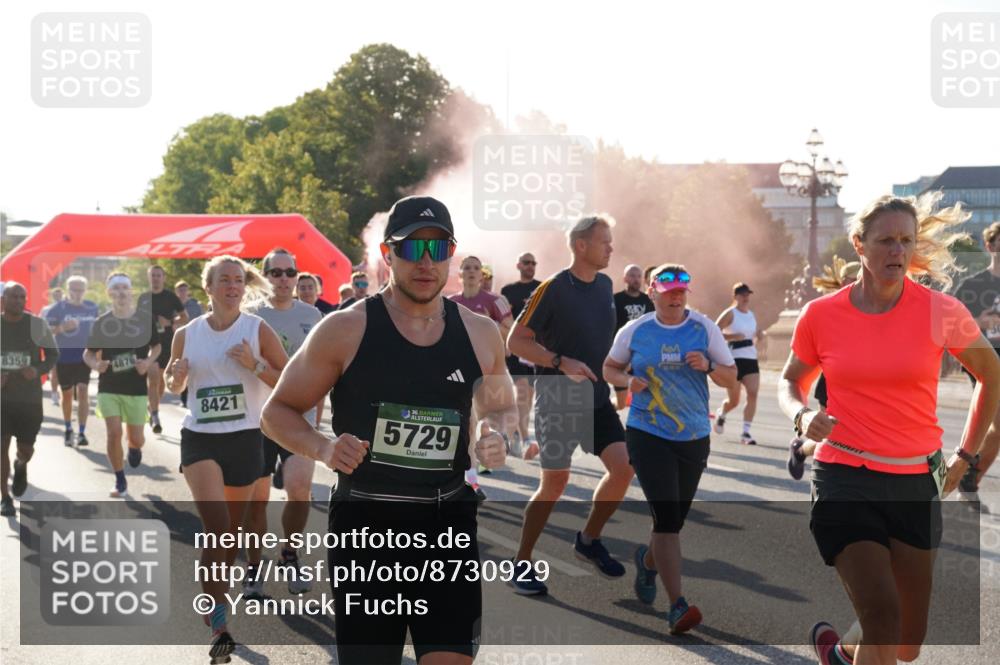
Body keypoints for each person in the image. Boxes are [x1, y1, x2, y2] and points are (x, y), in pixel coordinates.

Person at [261, 194, 513, 665]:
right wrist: (323, 447)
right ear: (387, 255)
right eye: (410, 248)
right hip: (367, 527)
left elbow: (500, 409)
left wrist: (496, 435)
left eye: (437, 249)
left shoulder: (481, 333)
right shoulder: (345, 328)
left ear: (451, 255)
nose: (425, 261)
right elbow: (277, 412)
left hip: (448, 524)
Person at [777, 194, 1000, 665]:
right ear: (860, 244)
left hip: (918, 481)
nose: (897, 251)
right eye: (885, 241)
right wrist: (801, 414)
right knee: (882, 616)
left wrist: (966, 457)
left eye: (905, 241)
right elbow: (791, 380)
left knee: (906, 643)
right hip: (844, 477)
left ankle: (840, 654)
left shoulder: (941, 311)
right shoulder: (821, 314)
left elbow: (992, 374)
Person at [164, 255, 286, 662]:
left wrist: (255, 364)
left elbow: (286, 380)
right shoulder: (187, 332)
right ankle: (219, 622)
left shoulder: (257, 329)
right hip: (200, 438)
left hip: (246, 439)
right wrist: (176, 377)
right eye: (225, 280)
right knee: (217, 527)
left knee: (230, 534)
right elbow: (170, 377)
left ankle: (217, 603)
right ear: (209, 287)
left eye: (238, 280)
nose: (233, 286)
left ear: (243, 286)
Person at [603, 264, 737, 634]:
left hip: (693, 435)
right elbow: (609, 368)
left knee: (672, 521)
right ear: (653, 292)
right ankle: (677, 605)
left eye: (682, 291)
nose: (676, 296)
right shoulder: (636, 330)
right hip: (648, 432)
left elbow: (730, 375)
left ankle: (647, 562)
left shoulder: (703, 328)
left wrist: (709, 365)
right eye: (668, 290)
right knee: (666, 522)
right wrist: (628, 380)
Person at [508, 214, 634, 595]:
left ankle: (588, 540)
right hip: (558, 399)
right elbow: (516, 341)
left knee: (624, 468)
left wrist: (618, 382)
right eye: (604, 241)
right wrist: (561, 362)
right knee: (555, 483)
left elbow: (601, 344)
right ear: (581, 246)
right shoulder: (552, 289)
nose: (611, 247)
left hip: (596, 399)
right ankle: (521, 562)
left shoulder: (605, 286)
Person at [243, 248, 322, 599]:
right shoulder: (249, 316)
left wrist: (317, 417)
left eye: (290, 273)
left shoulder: (313, 314)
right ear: (264, 276)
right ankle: (254, 566)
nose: (284, 280)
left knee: (300, 489)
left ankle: (290, 553)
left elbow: (323, 367)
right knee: (257, 501)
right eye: (275, 273)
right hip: (257, 420)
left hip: (298, 417)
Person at [84, 273, 160, 498]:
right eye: (115, 288)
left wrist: (147, 362)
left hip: (136, 388)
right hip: (109, 386)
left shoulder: (145, 319)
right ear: (109, 293)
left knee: (136, 437)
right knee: (113, 433)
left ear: (131, 292)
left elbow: (156, 347)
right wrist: (97, 365)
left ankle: (135, 447)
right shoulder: (102, 322)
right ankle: (119, 479)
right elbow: (88, 353)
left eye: (124, 288)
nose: (120, 292)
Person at [787, 257, 860, 480]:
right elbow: (792, 376)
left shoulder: (878, 308)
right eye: (850, 279)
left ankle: (801, 448)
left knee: (853, 439)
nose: (855, 283)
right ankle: (800, 450)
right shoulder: (828, 310)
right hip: (831, 385)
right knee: (834, 438)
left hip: (865, 384)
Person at [1, 283, 59, 517]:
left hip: (29, 399)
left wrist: (37, 370)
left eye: (22, 297)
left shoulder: (37, 324)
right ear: (4, 299)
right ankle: (5, 498)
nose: (18, 300)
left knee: (26, 449)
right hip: (2, 398)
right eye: (13, 296)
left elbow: (53, 355)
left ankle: (21, 464)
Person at [952, 220, 1000, 497]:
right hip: (983, 361)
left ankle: (968, 477)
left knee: (995, 429)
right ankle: (966, 476)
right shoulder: (974, 284)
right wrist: (979, 322)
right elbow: (950, 325)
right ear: (989, 245)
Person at [46, 276, 99, 447]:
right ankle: (68, 427)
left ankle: (82, 432)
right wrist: (62, 328)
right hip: (64, 357)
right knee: (67, 394)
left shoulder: (92, 308)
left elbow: (98, 330)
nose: (77, 293)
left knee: (83, 390)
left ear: (85, 290)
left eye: (80, 289)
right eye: (74, 289)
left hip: (84, 356)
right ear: (68, 290)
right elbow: (47, 332)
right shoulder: (57, 309)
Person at [138, 265, 188, 434]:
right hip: (149, 345)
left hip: (167, 343)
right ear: (149, 277)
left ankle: (152, 407)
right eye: (153, 275)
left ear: (163, 278)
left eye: (159, 275)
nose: (156, 278)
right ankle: (155, 415)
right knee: (152, 378)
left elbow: (184, 317)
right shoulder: (143, 298)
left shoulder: (170, 297)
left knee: (160, 383)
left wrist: (171, 323)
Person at [501, 252, 542, 454]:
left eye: (533, 263)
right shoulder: (508, 290)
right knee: (522, 391)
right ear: (518, 265)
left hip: (536, 348)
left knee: (527, 397)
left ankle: (515, 432)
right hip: (516, 346)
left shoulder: (543, 288)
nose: (530, 266)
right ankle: (524, 438)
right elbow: (504, 318)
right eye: (526, 262)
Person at [713, 283, 761, 445]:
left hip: (750, 358)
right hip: (733, 359)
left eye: (747, 294)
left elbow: (754, 332)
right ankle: (722, 413)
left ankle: (746, 432)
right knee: (734, 401)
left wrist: (760, 335)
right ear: (735, 297)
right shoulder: (730, 313)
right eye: (742, 295)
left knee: (753, 393)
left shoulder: (751, 315)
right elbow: (714, 331)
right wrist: (732, 337)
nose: (746, 297)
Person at [612, 264, 654, 410]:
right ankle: (607, 408)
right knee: (621, 404)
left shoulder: (649, 300)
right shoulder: (615, 300)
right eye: (632, 276)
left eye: (638, 276)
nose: (635, 279)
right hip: (622, 353)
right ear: (625, 278)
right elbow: (609, 327)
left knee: (645, 399)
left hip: (644, 353)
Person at [41, 287, 64, 406]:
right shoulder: (46, 310)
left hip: (66, 344)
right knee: (55, 370)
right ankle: (54, 394)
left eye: (60, 295)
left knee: (66, 371)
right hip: (52, 343)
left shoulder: (67, 309)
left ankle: (66, 392)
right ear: (52, 296)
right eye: (55, 295)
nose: (58, 297)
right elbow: (42, 325)